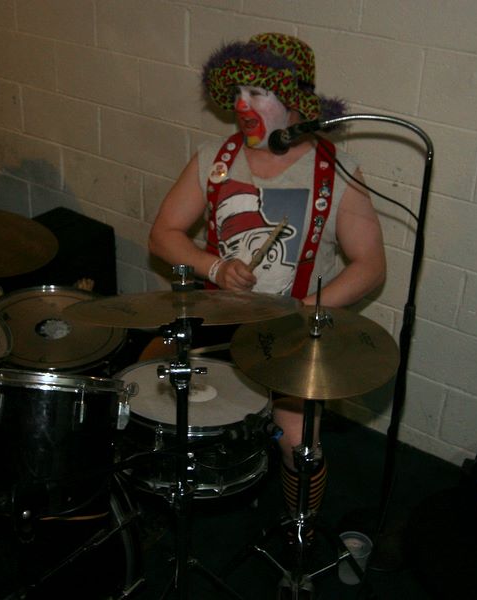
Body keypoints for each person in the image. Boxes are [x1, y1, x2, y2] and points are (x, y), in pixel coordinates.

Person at [148, 33, 386, 524]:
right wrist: (214, 267)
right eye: (238, 93)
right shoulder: (214, 159)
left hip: (289, 334)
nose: (242, 105)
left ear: (295, 101)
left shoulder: (337, 172)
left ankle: (302, 530)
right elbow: (163, 234)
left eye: (257, 93)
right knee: (151, 387)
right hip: (219, 319)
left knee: (299, 443)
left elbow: (370, 266)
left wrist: (304, 310)